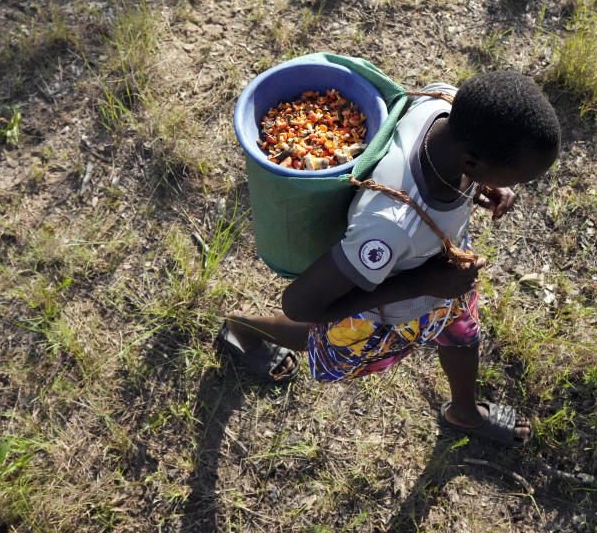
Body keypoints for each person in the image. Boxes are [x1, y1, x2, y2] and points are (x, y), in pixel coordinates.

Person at [218, 70, 561, 446]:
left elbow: (453, 130)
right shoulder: (391, 225)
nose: (520, 185)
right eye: (519, 176)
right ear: (473, 160)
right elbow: (302, 304)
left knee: (463, 334)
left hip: (444, 284)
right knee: (316, 337)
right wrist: (421, 284)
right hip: (386, 305)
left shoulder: (445, 102)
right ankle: (243, 329)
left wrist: (485, 181)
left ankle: (464, 412)